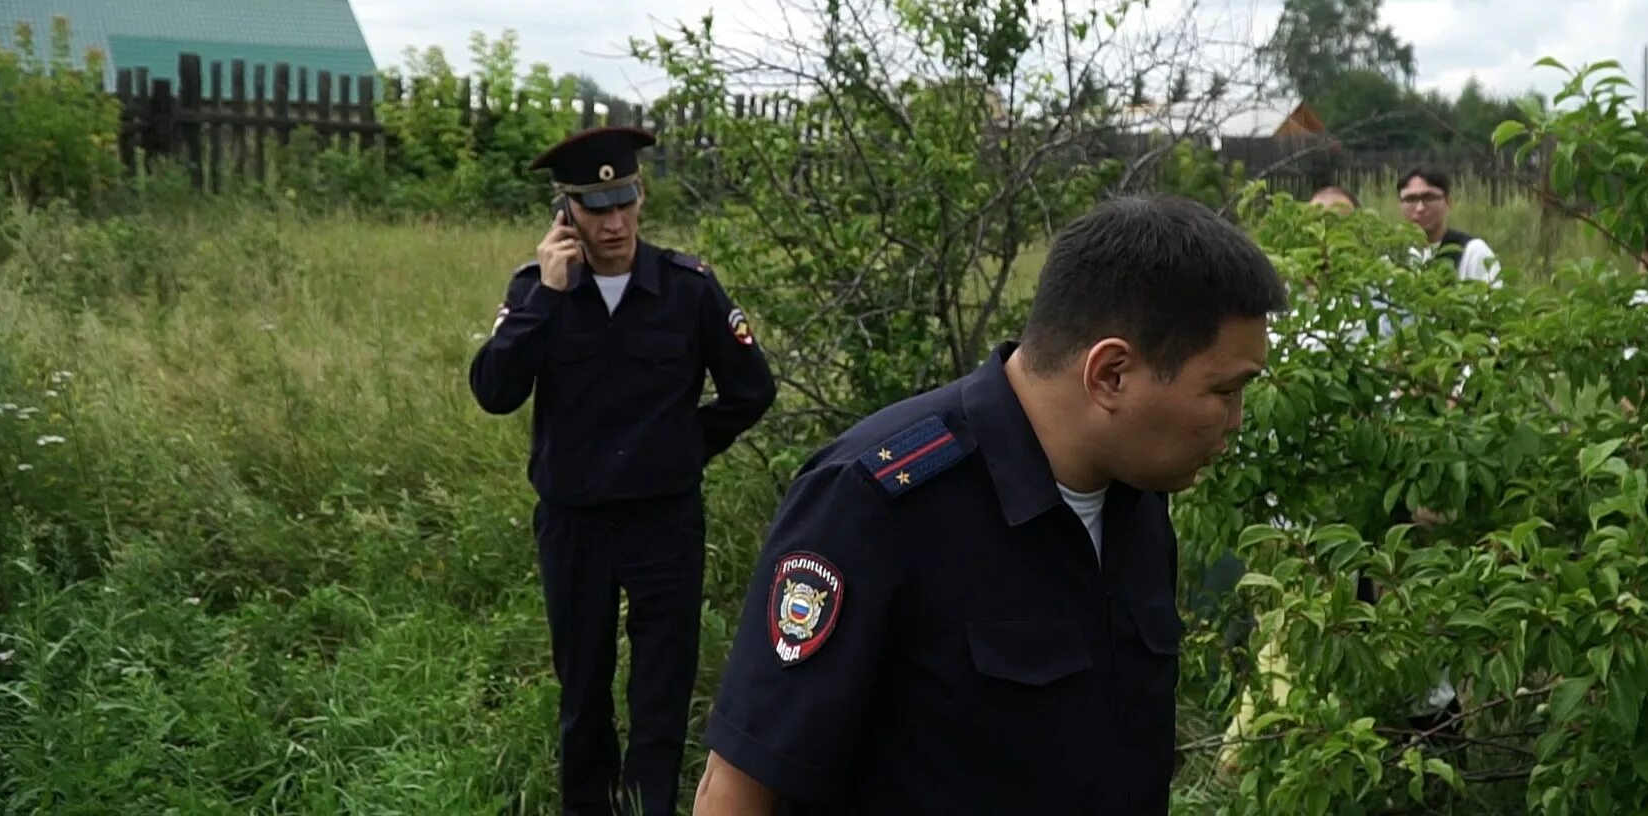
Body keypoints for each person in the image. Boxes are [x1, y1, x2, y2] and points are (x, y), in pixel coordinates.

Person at [692, 195, 1286, 815]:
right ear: (1110, 374)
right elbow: (738, 788)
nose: (1236, 421)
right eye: (1223, 391)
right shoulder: (876, 503)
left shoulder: (1137, 501)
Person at [469, 125, 777, 816]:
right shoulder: (537, 291)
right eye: (595, 206)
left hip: (662, 518)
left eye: (624, 201)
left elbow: (751, 389)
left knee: (661, 690)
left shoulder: (687, 288)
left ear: (641, 197)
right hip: (575, 523)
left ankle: (649, 807)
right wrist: (545, 299)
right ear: (565, 211)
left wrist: (681, 447)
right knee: (583, 690)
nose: (613, 222)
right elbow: (493, 392)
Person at [1396, 168, 1500, 286]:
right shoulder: (1394, 256)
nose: (1420, 208)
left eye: (1429, 198)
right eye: (1411, 200)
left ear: (1448, 202)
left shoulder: (1472, 252)